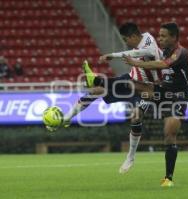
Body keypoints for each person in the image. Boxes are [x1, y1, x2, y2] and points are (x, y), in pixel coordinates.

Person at [48, 22, 162, 173]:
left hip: (147, 87)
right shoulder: (146, 36)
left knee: (136, 117)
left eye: (125, 39)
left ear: (134, 36)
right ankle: (67, 117)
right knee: (96, 91)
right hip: (131, 80)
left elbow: (134, 54)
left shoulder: (148, 46)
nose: (125, 42)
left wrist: (112, 55)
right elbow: (134, 53)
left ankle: (130, 157)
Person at [121, 22, 188, 187]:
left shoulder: (180, 52)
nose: (159, 38)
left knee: (169, 134)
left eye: (163, 36)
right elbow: (162, 72)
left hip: (178, 97)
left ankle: (168, 178)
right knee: (135, 110)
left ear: (174, 37)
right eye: (159, 36)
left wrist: (136, 63)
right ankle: (100, 85)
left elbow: (163, 65)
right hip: (162, 92)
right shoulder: (164, 52)